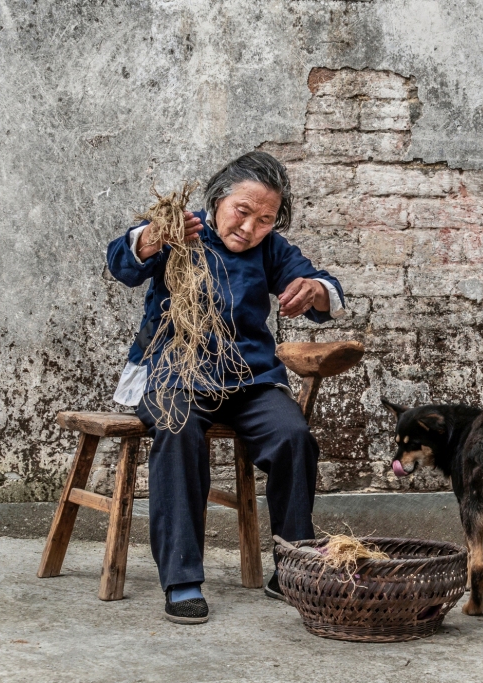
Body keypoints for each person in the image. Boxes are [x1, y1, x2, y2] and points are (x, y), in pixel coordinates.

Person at [106, 151, 345, 624]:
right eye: (243, 211)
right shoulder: (183, 231)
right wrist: (151, 239)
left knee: (293, 436)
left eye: (265, 219)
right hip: (177, 372)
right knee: (177, 431)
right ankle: (182, 579)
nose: (250, 227)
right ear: (218, 199)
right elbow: (123, 263)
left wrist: (316, 291)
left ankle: (293, 566)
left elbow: (322, 285)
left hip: (250, 378)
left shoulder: (272, 250)